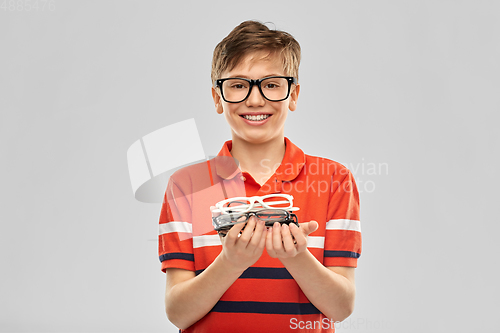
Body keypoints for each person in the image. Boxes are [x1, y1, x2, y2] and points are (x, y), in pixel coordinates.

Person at [158, 20, 361, 332]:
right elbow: (178, 313)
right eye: (238, 85)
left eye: (271, 84)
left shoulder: (334, 180)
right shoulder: (186, 186)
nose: (254, 100)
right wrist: (230, 263)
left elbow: (341, 308)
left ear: (293, 95)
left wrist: (297, 258)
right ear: (217, 98)